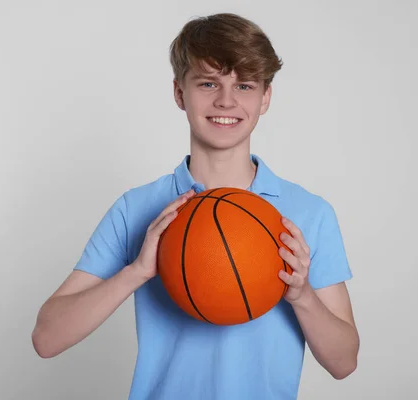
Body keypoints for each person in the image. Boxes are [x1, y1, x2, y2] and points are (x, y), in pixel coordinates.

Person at [32, 12, 359, 400]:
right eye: (208, 83)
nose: (226, 100)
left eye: (244, 85)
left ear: (265, 97)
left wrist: (302, 295)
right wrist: (137, 271)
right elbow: (46, 339)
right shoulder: (137, 209)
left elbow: (344, 363)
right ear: (179, 93)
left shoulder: (309, 213)